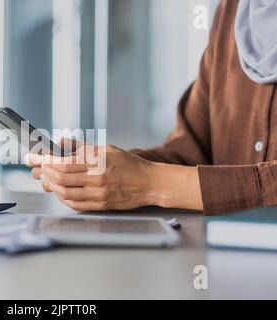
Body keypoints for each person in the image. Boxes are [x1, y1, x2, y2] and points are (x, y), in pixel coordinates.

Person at [26, 0, 277, 216]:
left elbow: (161, 180)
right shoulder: (232, 13)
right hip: (224, 260)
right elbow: (189, 153)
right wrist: (104, 172)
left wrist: (149, 182)